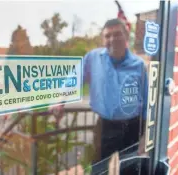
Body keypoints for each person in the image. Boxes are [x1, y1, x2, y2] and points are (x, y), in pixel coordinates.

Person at [50, 18, 148, 160]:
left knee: (130, 168)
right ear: (103, 40)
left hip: (133, 127)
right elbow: (74, 79)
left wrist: (145, 136)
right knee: (98, 167)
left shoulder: (139, 65)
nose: (112, 39)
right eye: (108, 36)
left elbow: (147, 104)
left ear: (126, 36)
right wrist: (60, 100)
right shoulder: (93, 58)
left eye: (117, 34)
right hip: (104, 126)